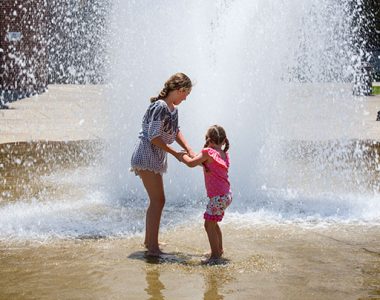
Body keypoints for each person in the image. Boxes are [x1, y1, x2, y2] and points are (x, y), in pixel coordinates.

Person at [130, 73, 195, 257]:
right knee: (158, 200)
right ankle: (152, 248)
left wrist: (189, 149)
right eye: (186, 93)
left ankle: (150, 241)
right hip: (146, 154)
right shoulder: (160, 106)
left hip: (155, 156)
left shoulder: (172, 109)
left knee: (158, 200)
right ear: (178, 89)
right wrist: (176, 154)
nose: (186, 97)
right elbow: (153, 136)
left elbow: (175, 132)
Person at [181, 125, 232, 264]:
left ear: (208, 140)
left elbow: (191, 164)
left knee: (208, 225)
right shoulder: (223, 153)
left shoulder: (208, 152)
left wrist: (182, 157)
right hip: (226, 195)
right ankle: (219, 250)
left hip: (217, 197)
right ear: (223, 141)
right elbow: (205, 164)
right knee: (213, 223)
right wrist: (193, 156)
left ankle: (215, 256)